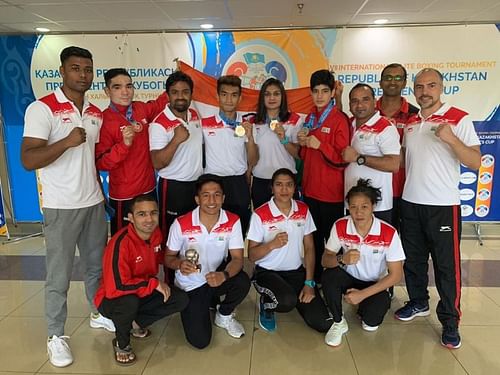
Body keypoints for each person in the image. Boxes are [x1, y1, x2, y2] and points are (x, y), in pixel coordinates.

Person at [21, 46, 114, 368]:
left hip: (92, 201)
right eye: (76, 68)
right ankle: (55, 335)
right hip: (60, 206)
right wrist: (64, 142)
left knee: (95, 268)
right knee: (58, 275)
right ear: (62, 71)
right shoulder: (42, 109)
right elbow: (28, 159)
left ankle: (98, 312)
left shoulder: (95, 112)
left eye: (88, 69)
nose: (83, 75)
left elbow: (96, 156)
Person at [394, 68, 481, 349]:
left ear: (441, 87)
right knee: (414, 261)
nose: (424, 91)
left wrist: (452, 139)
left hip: (443, 206)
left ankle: (450, 321)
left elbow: (476, 162)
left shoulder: (459, 118)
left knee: (447, 267)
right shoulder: (410, 122)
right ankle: (419, 302)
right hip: (411, 203)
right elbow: (408, 162)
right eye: (419, 87)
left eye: (431, 85)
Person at [94, 194, 188, 365]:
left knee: (180, 299)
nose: (149, 219)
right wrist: (153, 283)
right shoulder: (120, 243)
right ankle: (122, 344)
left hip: (141, 290)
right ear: (131, 218)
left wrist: (181, 263)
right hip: (111, 298)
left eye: (153, 213)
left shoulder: (156, 234)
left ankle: (134, 324)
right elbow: (117, 287)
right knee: (128, 302)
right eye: (142, 214)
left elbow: (163, 258)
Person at [165, 174, 251, 349]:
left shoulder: (233, 221)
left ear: (223, 198)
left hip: (215, 278)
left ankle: (224, 315)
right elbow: (167, 258)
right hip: (190, 286)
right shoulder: (181, 223)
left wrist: (224, 275)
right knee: (200, 341)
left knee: (242, 281)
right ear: (197, 199)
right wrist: (180, 265)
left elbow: (237, 259)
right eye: (206, 195)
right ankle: (199, 306)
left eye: (217, 194)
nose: (212, 200)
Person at [322, 179, 405, 347]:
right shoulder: (340, 225)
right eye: (353, 207)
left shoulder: (388, 232)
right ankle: (338, 321)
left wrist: (363, 294)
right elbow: (325, 258)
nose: (358, 212)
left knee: (370, 324)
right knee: (329, 275)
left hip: (375, 283)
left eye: (364, 206)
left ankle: (362, 307)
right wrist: (341, 259)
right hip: (349, 277)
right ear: (348, 207)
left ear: (373, 206)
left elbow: (396, 275)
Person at [247, 168, 331, 333]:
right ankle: (266, 304)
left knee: (322, 323)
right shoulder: (260, 214)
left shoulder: (303, 210)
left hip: (296, 273)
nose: (284, 190)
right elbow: (251, 256)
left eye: (289, 185)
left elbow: (309, 247)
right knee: (286, 302)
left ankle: (293, 294)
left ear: (295, 188)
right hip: (267, 272)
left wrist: (309, 282)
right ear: (272, 188)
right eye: (279, 185)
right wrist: (271, 245)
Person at [96, 68, 167, 234]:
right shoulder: (104, 119)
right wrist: (124, 145)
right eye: (117, 87)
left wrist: (180, 76)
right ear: (107, 91)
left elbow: (159, 104)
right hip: (124, 196)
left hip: (149, 189)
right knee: (124, 241)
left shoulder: (140, 109)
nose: (125, 92)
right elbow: (101, 162)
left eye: (129, 86)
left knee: (151, 237)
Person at [297, 69, 350, 283]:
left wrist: (321, 145)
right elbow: (304, 155)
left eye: (324, 91)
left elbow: (342, 159)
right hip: (310, 190)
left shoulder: (339, 119)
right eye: (316, 91)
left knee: (333, 242)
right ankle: (316, 279)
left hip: (331, 194)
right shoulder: (310, 117)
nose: (319, 96)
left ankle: (336, 282)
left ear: (332, 93)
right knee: (314, 240)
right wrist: (302, 143)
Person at [149, 71, 203, 241]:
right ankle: (170, 269)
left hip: (196, 185)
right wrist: (176, 140)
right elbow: (157, 163)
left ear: (191, 94)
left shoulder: (194, 115)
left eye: (185, 92)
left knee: (193, 233)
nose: (180, 97)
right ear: (167, 95)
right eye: (175, 92)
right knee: (172, 236)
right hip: (173, 187)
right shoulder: (159, 123)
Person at [201, 75, 258, 234]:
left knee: (239, 231)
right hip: (213, 183)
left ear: (240, 98)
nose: (229, 100)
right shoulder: (205, 123)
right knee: (213, 231)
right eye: (224, 94)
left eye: (234, 95)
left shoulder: (246, 124)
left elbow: (253, 160)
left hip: (238, 183)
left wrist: (251, 138)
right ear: (218, 96)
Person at [342, 83, 401, 224]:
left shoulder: (385, 127)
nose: (360, 105)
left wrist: (358, 158)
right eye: (355, 101)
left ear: (375, 102)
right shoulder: (348, 124)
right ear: (349, 104)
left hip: (378, 206)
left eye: (365, 99)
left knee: (377, 245)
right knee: (351, 243)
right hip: (351, 203)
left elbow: (394, 164)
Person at [377, 63, 419, 229]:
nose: (392, 82)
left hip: (405, 189)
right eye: (387, 77)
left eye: (397, 78)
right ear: (380, 82)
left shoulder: (415, 114)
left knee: (403, 242)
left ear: (404, 83)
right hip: (374, 188)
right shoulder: (368, 111)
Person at [251, 78, 303, 209]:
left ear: (282, 97)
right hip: (261, 180)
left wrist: (284, 139)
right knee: (263, 224)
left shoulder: (294, 119)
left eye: (276, 94)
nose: (272, 98)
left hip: (286, 182)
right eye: (267, 94)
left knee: (289, 222)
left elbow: (299, 155)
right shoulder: (253, 121)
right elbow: (250, 157)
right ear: (262, 98)